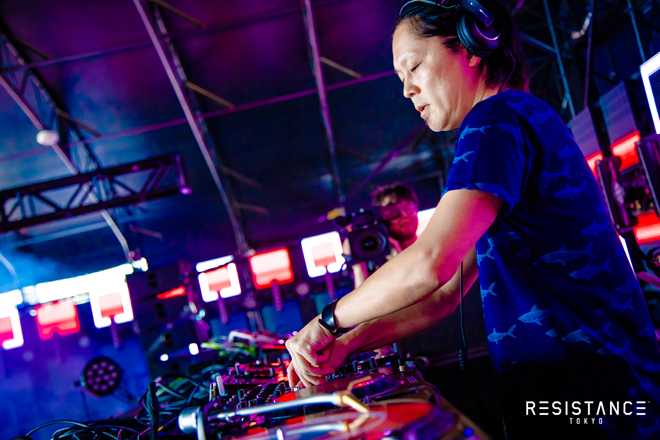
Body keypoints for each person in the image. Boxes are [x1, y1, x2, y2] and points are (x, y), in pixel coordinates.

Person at [285, 0, 660, 438]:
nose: (407, 90)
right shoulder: (519, 114)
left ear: (469, 48)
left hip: (591, 399)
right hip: (601, 391)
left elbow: (429, 262)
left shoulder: (494, 119)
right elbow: (443, 295)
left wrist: (327, 322)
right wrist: (346, 344)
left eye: (414, 66)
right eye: (400, 78)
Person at [345, 183, 420, 288]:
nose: (403, 215)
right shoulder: (378, 269)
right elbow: (366, 298)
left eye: (407, 208)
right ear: (381, 219)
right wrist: (358, 265)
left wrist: (399, 262)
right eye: (392, 211)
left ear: (416, 209)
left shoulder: (433, 247)